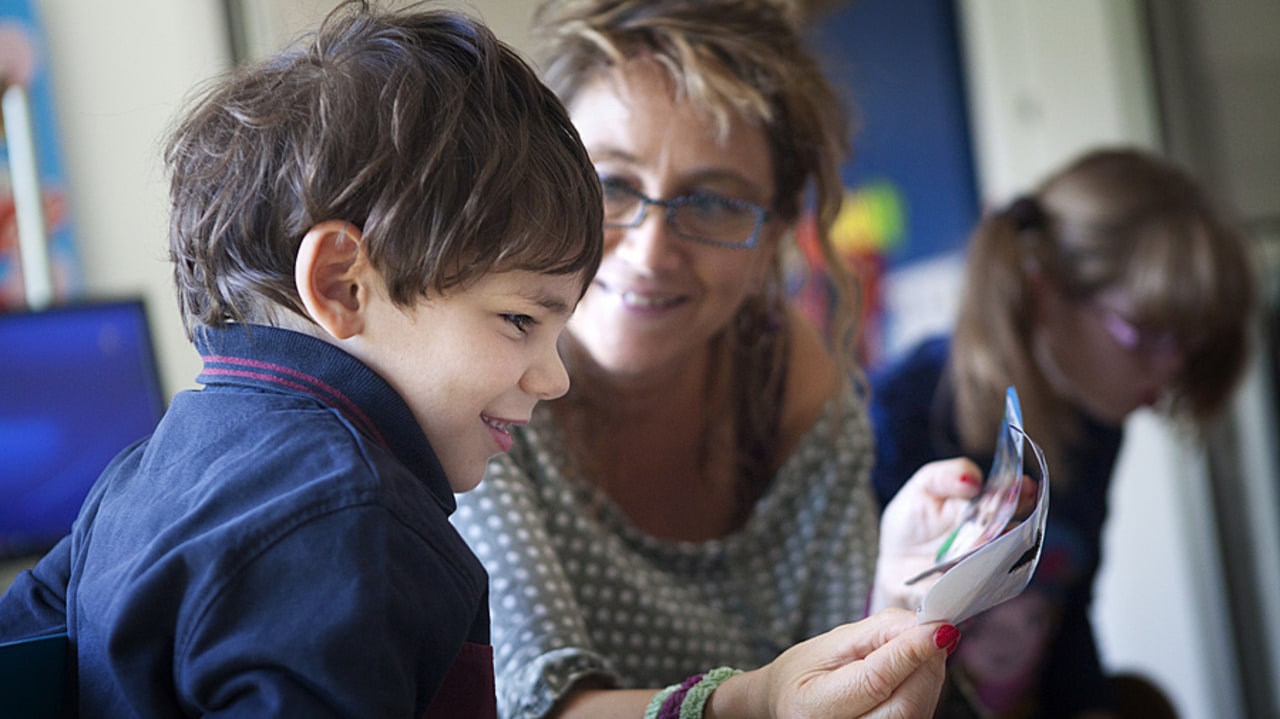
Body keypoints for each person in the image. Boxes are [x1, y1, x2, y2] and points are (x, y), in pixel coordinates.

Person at [0, 1, 605, 715]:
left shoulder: (140, 474)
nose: (554, 375)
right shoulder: (356, 523)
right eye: (520, 319)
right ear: (341, 284)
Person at [450, 1, 983, 717]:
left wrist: (897, 605)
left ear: (774, 237)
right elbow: (539, 705)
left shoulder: (786, 383)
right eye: (608, 185)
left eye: (711, 202)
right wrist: (757, 701)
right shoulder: (476, 379)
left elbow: (841, 672)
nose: (650, 252)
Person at [869, 146, 1256, 718]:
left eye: (1189, 343)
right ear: (1044, 291)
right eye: (1148, 332)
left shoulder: (1098, 427)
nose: (1172, 367)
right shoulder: (906, 408)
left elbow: (1065, 610)